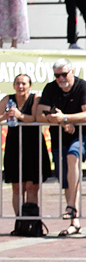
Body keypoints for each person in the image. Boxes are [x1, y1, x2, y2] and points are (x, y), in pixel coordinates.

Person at [34, 59, 86, 237]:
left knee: (72, 157)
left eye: (64, 74)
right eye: (57, 75)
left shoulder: (83, 86)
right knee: (65, 178)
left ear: (72, 71)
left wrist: (66, 118)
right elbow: (40, 114)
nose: (61, 78)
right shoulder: (50, 88)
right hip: (59, 136)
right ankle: (74, 221)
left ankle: (71, 207)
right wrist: (60, 121)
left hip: (82, 135)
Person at [3, 74, 51, 218]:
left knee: (32, 186)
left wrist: (19, 115)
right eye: (18, 83)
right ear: (13, 85)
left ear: (29, 86)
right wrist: (5, 116)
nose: (20, 86)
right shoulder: (8, 99)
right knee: (17, 186)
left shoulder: (35, 98)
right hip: (14, 145)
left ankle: (31, 219)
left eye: (24, 83)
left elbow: (35, 118)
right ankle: (19, 220)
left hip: (33, 145)